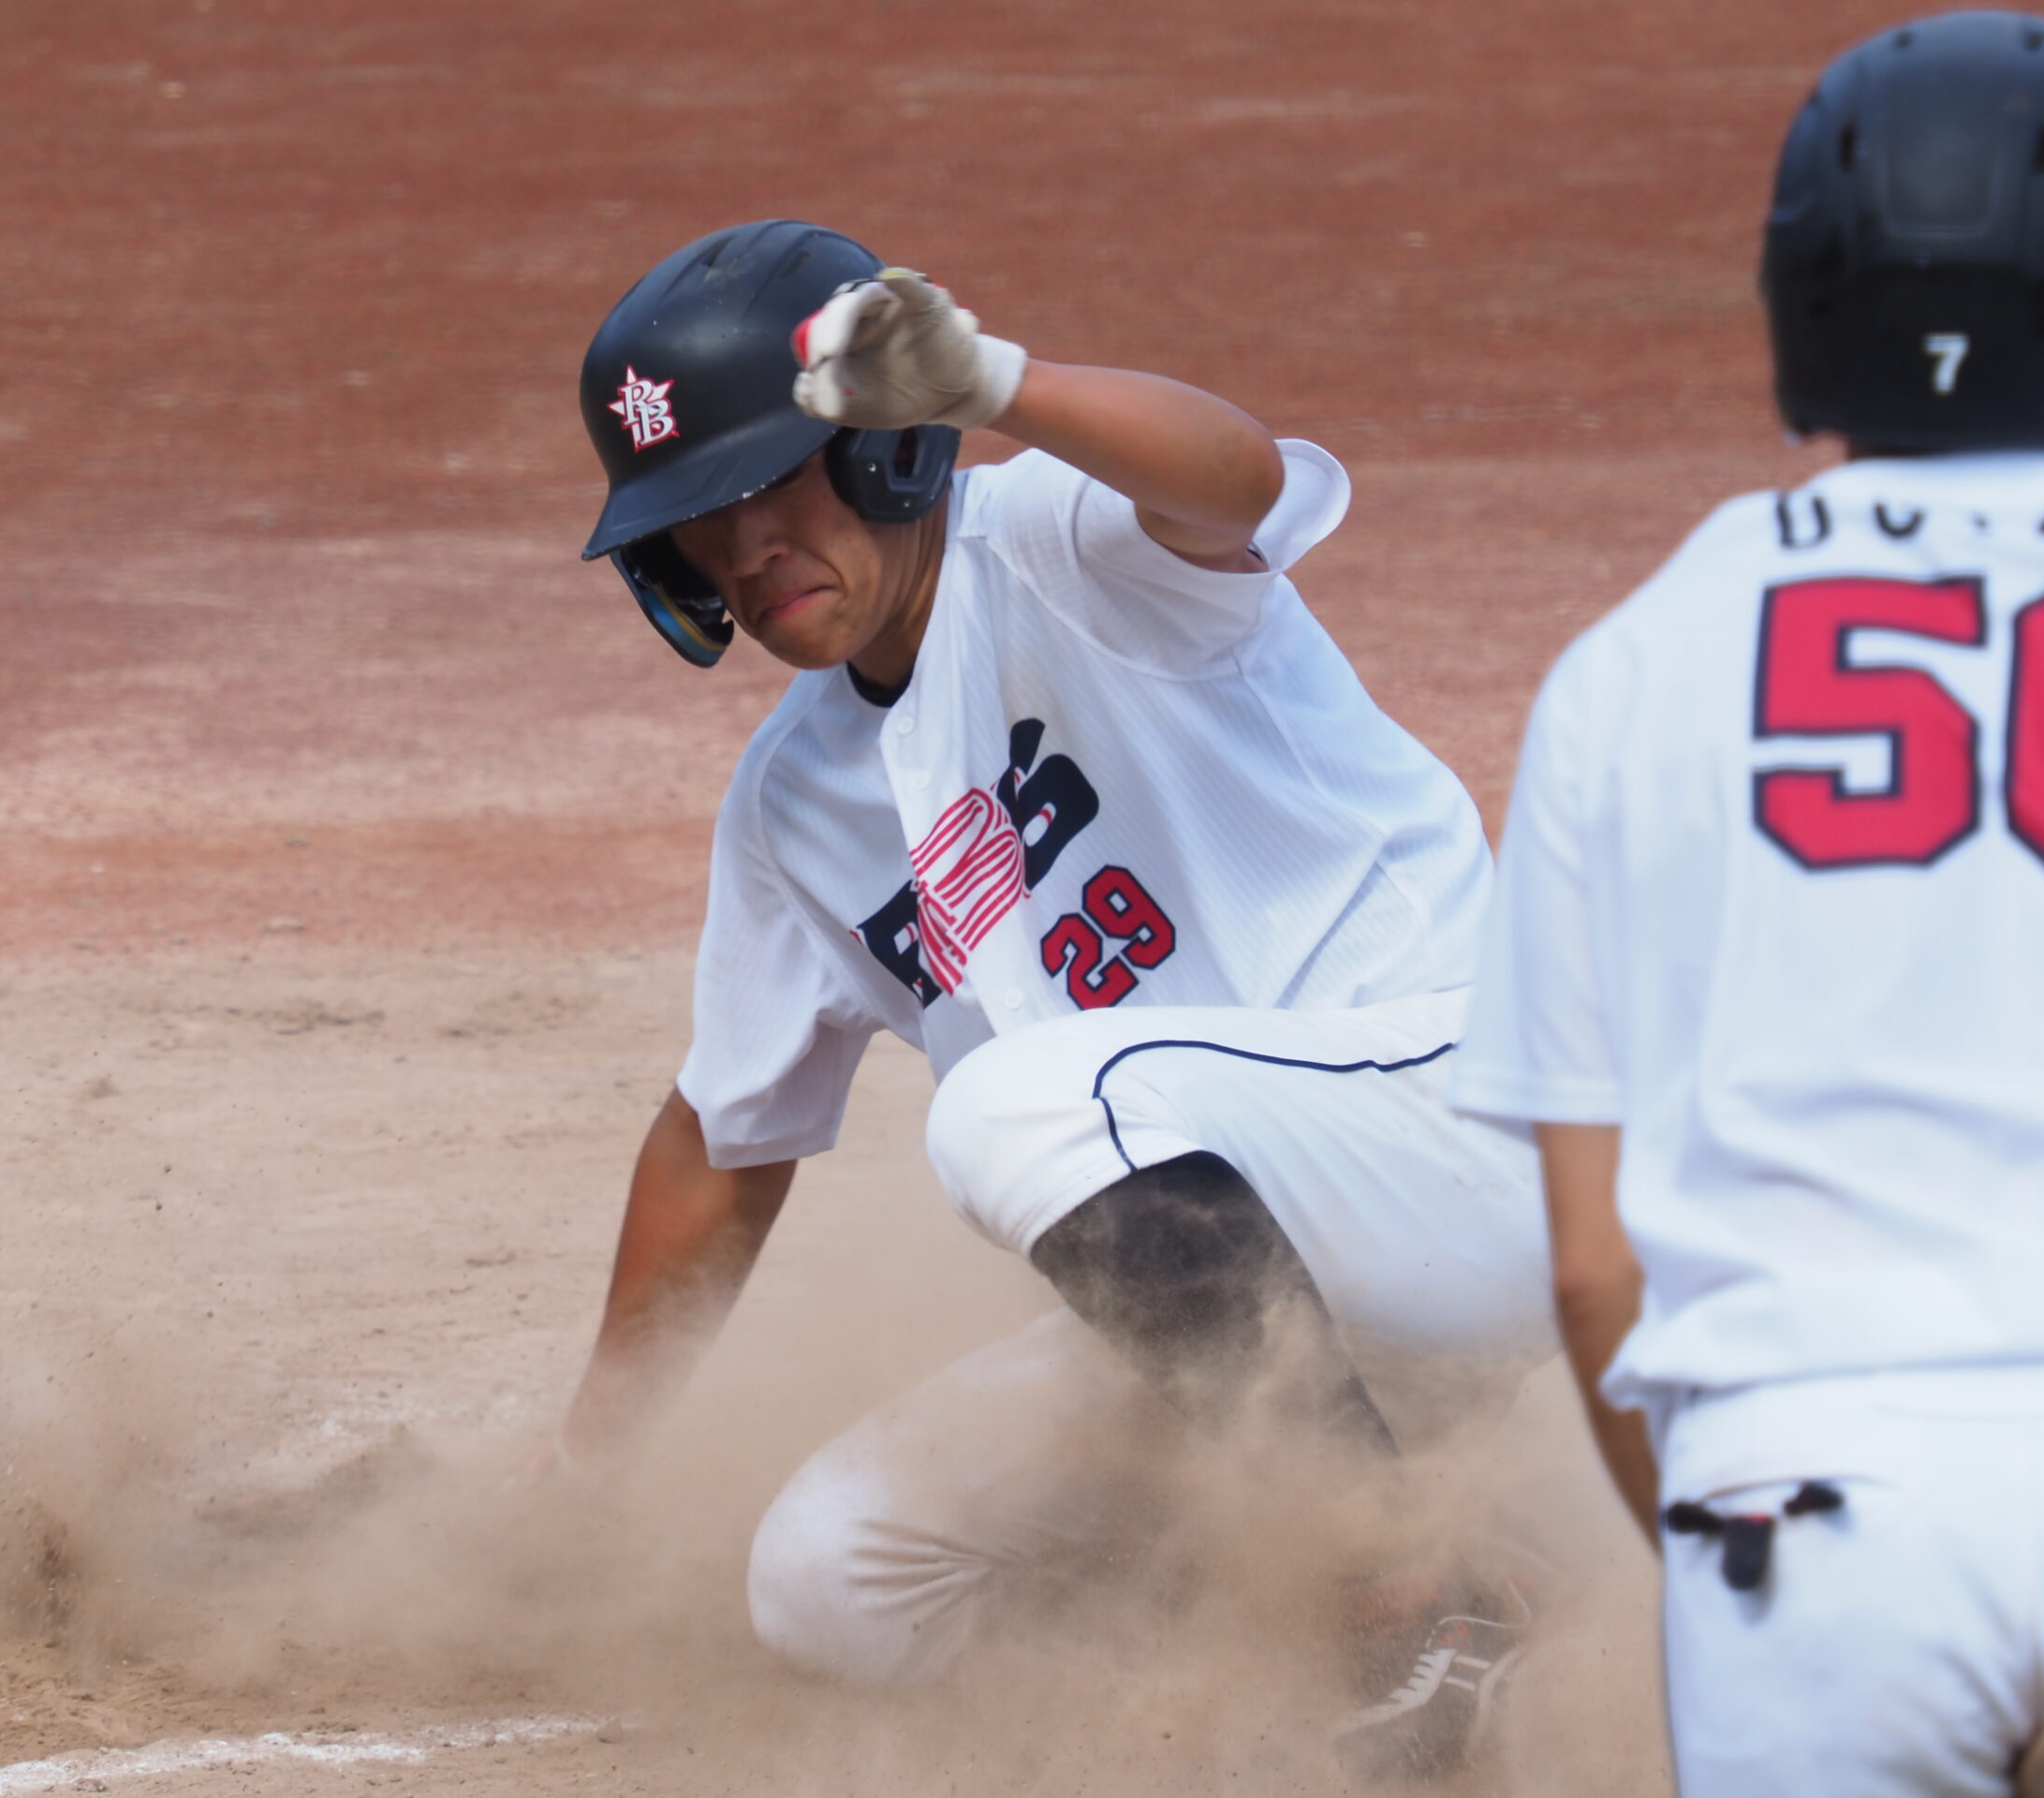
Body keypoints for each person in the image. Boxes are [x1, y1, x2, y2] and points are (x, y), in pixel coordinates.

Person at [558, 219, 1553, 1773]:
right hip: (1247, 1305)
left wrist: (1002, 385)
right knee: (830, 1577)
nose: (745, 547)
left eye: (777, 481)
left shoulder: (1062, 542)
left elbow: (1242, 484)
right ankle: (1327, 1588)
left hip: (1452, 1135)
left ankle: (1417, 1599)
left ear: (889, 449)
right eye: (699, 519)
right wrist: (588, 1476)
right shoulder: (790, 805)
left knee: (1018, 1102)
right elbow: (719, 1140)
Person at [1446, 12, 2044, 1797]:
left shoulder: (1634, 663)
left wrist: (1782, 1621)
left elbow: (1594, 1272)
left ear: (1802, 303)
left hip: (1802, 1504)